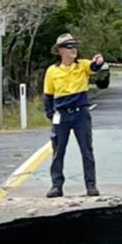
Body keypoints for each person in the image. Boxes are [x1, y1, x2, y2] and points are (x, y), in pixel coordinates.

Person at [44, 33, 106, 198]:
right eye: (69, 46)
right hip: (61, 115)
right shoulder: (52, 71)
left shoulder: (82, 65)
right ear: (60, 51)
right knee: (58, 152)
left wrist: (99, 62)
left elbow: (94, 66)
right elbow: (48, 95)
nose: (74, 50)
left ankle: (91, 186)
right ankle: (56, 186)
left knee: (86, 150)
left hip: (80, 114)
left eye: (75, 46)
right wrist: (51, 115)